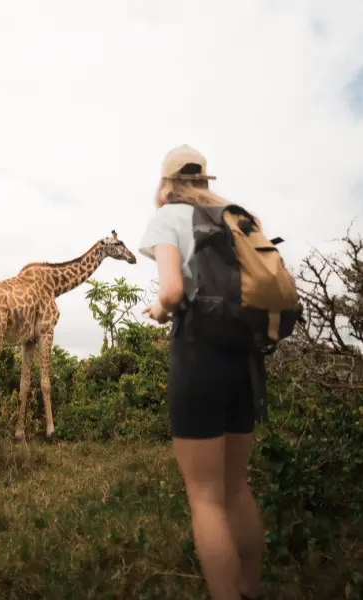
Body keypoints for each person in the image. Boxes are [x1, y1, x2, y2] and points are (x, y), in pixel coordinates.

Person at [139, 145, 264, 600]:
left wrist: (157, 308)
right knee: (236, 488)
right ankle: (251, 590)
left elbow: (173, 292)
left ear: (167, 184)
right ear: (204, 180)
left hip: (199, 354)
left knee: (206, 498)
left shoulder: (169, 216)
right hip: (245, 357)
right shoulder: (239, 217)